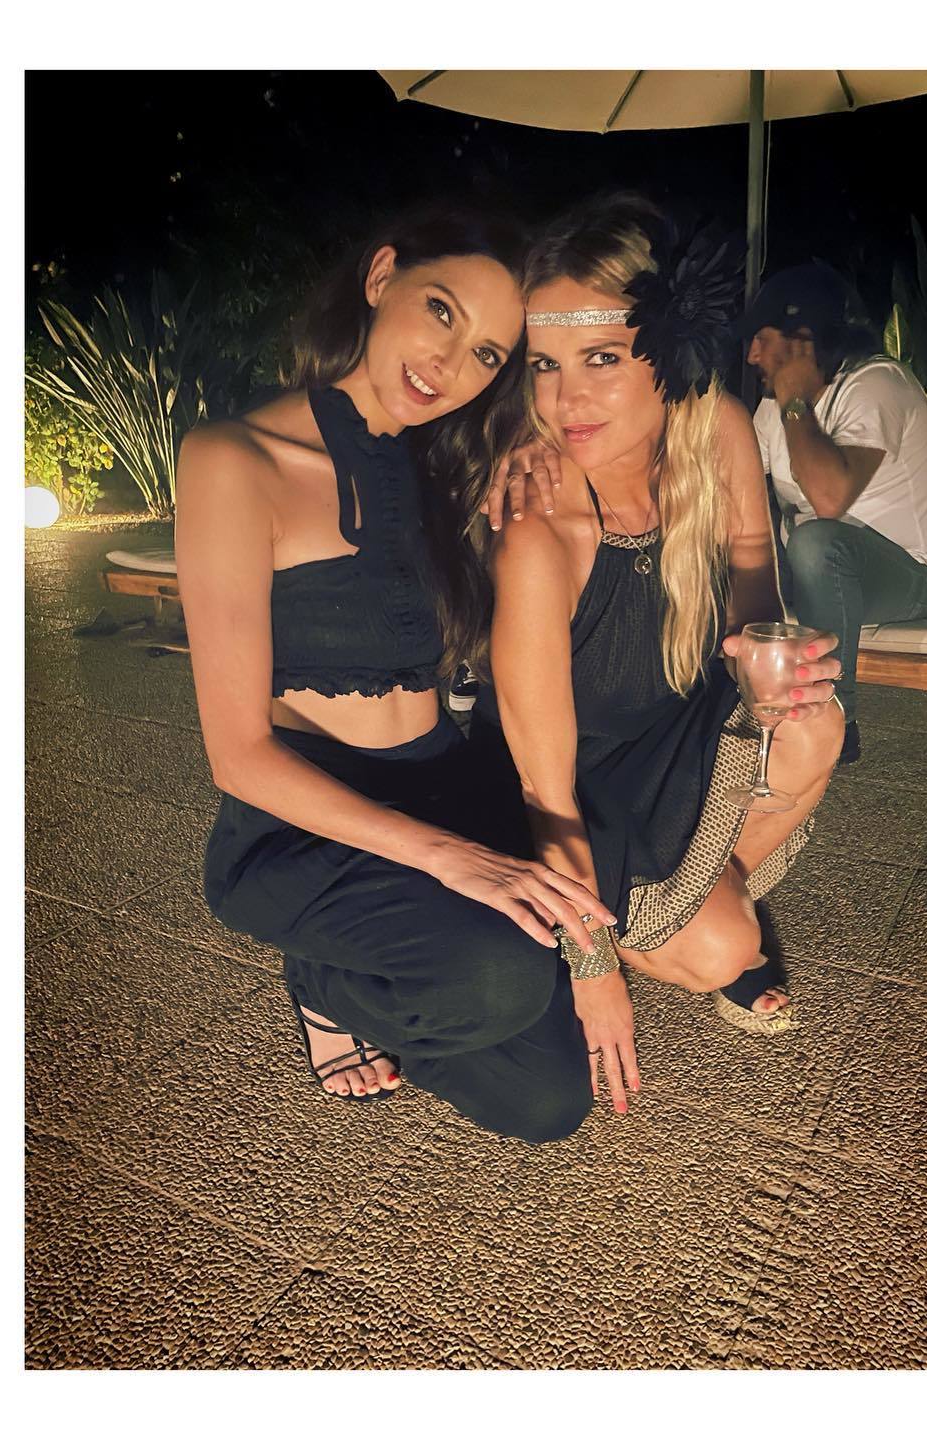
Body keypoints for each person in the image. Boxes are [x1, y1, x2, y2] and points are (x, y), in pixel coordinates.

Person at [175, 206, 617, 1145]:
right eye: (442, 311)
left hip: (442, 779)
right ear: (381, 278)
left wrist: (532, 444)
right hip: (303, 828)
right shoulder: (232, 460)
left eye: (489, 354)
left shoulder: (447, 466)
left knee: (548, 1104)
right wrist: (452, 859)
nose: (450, 365)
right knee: (498, 976)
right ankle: (322, 982)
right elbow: (237, 754)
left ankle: (396, 972)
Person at [472, 197, 845, 1114]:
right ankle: (676, 922)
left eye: (602, 358)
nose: (566, 400)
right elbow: (545, 789)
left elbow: (752, 569)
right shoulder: (540, 530)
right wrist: (594, 971)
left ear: (670, 351)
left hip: (677, 727)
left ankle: (693, 898)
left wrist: (762, 658)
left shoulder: (716, 428)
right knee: (726, 949)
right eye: (546, 365)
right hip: (582, 787)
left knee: (814, 721)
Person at [740, 261, 927, 764]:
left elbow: (829, 499)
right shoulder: (774, 406)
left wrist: (794, 401)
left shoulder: (877, 384)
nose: (751, 354)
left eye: (762, 339)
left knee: (817, 542)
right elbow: (731, 480)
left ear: (803, 341)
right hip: (816, 571)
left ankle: (836, 723)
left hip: (915, 573)